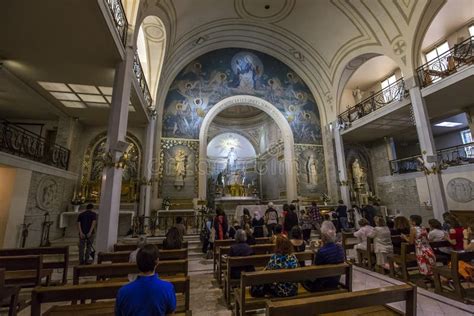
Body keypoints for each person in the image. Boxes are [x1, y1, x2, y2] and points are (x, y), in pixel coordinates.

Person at [116, 244, 176, 316]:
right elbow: (170, 313)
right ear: (157, 261)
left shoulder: (122, 292)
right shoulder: (168, 288)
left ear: (137, 263)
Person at [303, 221, 345, 292]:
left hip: (323, 283)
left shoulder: (322, 251)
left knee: (303, 278)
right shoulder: (340, 248)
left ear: (323, 238)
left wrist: (316, 251)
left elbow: (315, 267)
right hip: (335, 280)